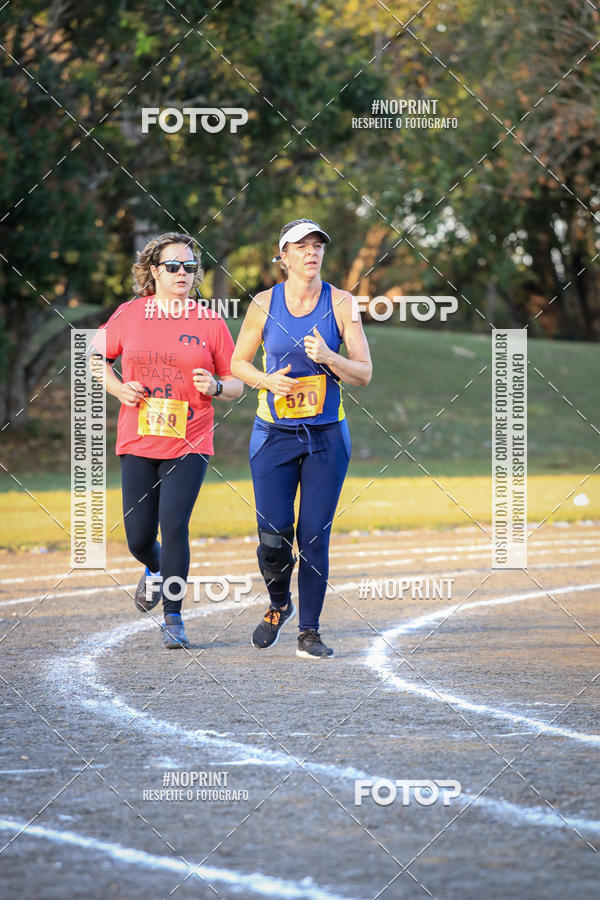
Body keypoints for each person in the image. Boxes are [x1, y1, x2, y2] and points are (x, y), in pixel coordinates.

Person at [92, 232, 242, 649]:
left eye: (190, 267)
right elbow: (93, 355)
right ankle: (154, 569)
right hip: (137, 439)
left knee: (174, 525)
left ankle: (173, 617)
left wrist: (215, 385)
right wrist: (117, 388)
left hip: (189, 441)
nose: (182, 274)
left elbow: (235, 385)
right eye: (173, 266)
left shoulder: (210, 321)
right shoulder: (130, 314)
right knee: (139, 538)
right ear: (154, 271)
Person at [231, 218, 372, 659]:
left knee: (314, 535)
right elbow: (238, 363)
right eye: (301, 246)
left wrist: (330, 357)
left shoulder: (343, 303)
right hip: (273, 435)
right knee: (273, 534)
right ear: (284, 256)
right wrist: (266, 382)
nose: (311, 253)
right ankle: (279, 605)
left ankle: (309, 631)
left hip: (327, 438)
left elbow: (364, 373)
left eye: (317, 246)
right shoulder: (262, 303)